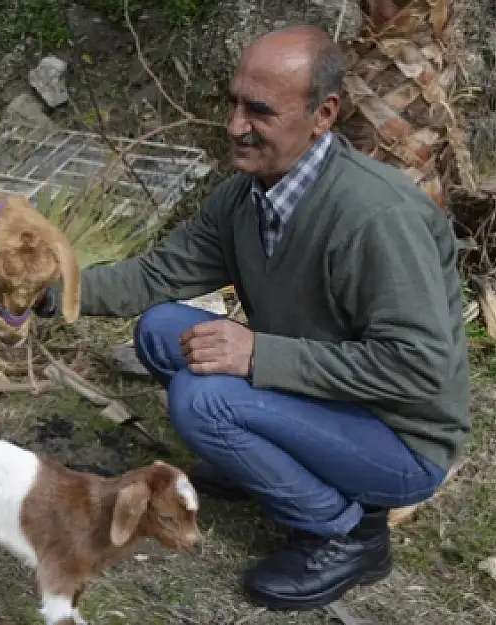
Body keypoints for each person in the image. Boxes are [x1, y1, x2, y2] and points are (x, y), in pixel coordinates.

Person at [33, 25, 470, 611]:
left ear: (324, 115)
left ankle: (345, 532)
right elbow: (156, 276)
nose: (236, 125)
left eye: (259, 111)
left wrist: (259, 354)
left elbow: (419, 369)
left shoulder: (377, 220)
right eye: (234, 103)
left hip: (398, 439)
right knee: (162, 329)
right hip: (321, 397)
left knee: (201, 400)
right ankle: (264, 462)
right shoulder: (249, 196)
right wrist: (40, 290)